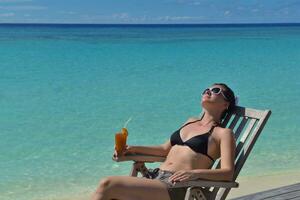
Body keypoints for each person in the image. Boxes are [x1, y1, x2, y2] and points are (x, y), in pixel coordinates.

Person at [92, 83, 236, 200]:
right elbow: (164, 150)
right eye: (206, 89)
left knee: (108, 184)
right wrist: (133, 149)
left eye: (215, 90)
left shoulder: (223, 133)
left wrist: (194, 173)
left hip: (177, 186)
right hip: (155, 177)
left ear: (225, 104)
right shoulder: (190, 121)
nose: (208, 91)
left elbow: (227, 173)